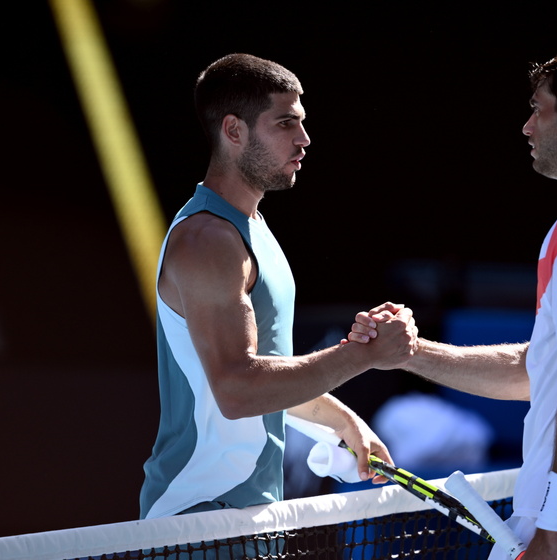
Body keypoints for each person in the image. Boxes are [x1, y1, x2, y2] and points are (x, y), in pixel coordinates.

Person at [350, 46, 557, 559]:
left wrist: (552, 526)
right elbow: (545, 371)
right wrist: (412, 353)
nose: (528, 127)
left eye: (538, 109)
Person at [138, 53, 417, 529]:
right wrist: (361, 355)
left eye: (302, 122)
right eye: (285, 123)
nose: (304, 139)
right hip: (197, 523)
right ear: (234, 131)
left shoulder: (252, 229)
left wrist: (343, 421)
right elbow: (238, 388)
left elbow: (268, 375)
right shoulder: (208, 241)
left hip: (250, 521)